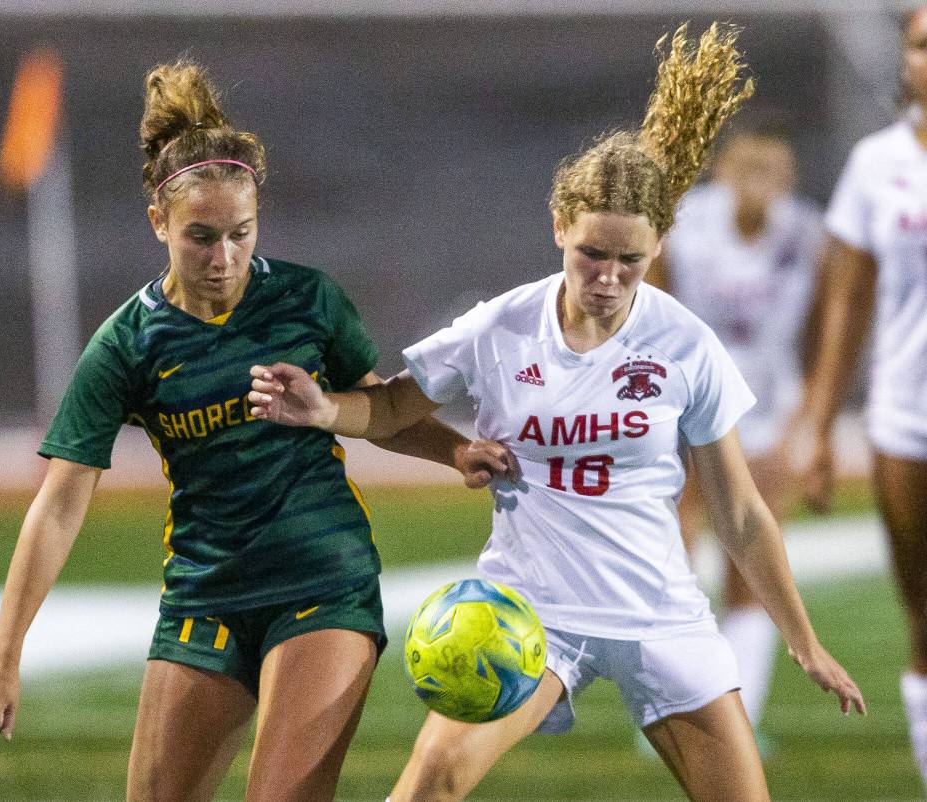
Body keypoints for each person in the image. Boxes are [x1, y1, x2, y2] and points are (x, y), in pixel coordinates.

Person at [247, 24, 865, 802]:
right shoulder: (499, 327)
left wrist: (804, 644)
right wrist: (324, 408)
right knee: (430, 781)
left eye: (628, 260)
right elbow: (396, 406)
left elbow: (741, 516)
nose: (607, 277)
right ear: (557, 229)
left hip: (660, 615)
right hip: (530, 617)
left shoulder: (683, 343)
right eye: (590, 255)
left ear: (658, 246)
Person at [0, 60, 511, 802]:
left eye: (240, 234)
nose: (223, 258)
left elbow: (375, 408)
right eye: (200, 237)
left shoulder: (308, 302)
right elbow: (59, 504)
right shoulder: (127, 345)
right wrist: (3, 655)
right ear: (158, 220)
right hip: (205, 593)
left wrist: (454, 451)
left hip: (323, 582)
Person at [650, 118, 824, 740]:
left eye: (773, 175)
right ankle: (674, 699)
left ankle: (738, 711)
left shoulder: (805, 233)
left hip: (765, 405)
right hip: (690, 398)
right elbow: (654, 298)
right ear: (724, 174)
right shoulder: (690, 223)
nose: (760, 186)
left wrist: (807, 420)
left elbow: (825, 324)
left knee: (752, 551)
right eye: (748, 172)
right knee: (671, 545)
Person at [797, 6, 927, 791]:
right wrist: (816, 429)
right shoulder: (877, 164)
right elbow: (845, 302)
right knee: (925, 618)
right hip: (907, 420)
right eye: (920, 44)